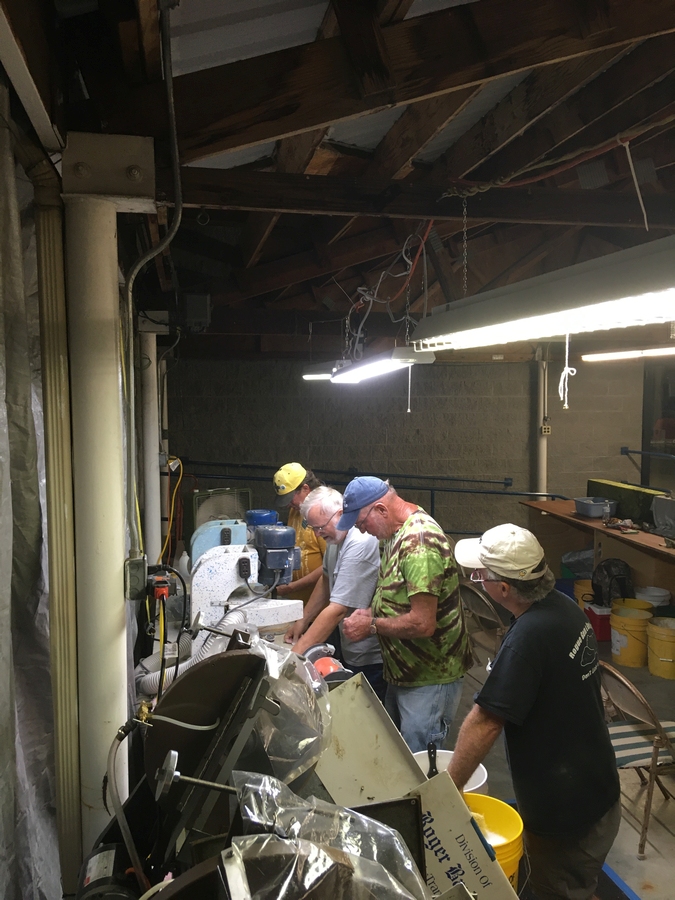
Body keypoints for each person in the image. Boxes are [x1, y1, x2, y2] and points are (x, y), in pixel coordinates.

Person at [450, 523, 620, 900]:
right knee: (579, 886)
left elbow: (486, 721)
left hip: (566, 814)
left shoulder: (529, 638)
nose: (477, 581)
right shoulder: (562, 607)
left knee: (557, 890)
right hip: (596, 788)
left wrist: (446, 790)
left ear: (504, 588)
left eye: (480, 575)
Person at [340, 476, 472, 753]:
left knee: (422, 764)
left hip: (430, 675)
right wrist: (372, 609)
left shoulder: (419, 544)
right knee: (400, 756)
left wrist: (371, 626)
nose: (363, 532)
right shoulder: (392, 533)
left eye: (363, 523)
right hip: (404, 670)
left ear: (381, 509)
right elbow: (395, 587)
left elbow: (423, 623)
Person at [285, 486, 386, 701]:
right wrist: (303, 620)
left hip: (371, 657)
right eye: (313, 528)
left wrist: (292, 659)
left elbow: (338, 610)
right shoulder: (335, 539)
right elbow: (326, 578)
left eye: (320, 527)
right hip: (350, 646)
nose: (317, 534)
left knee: (366, 715)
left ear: (340, 514)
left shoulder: (359, 542)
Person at [273, 462, 325, 604]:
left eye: (290, 499)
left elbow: (331, 565)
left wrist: (293, 587)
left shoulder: (323, 512)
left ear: (305, 489)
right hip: (298, 600)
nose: (288, 504)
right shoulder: (295, 509)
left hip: (319, 604)